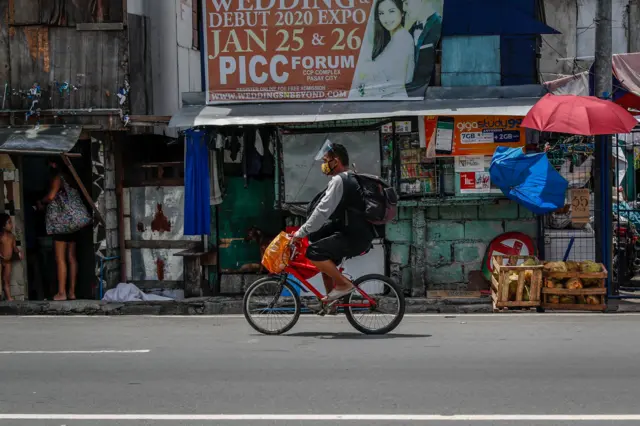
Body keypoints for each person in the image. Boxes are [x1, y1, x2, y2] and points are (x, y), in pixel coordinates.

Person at [291, 143, 375, 303]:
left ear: (335, 161)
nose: (323, 165)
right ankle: (331, 302)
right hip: (357, 233)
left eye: (325, 160)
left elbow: (322, 211)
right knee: (322, 252)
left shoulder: (339, 180)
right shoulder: (349, 177)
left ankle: (343, 284)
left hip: (353, 236)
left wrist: (300, 232)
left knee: (314, 252)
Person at [36, 158, 81, 301]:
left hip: (61, 224)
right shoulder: (70, 178)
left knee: (60, 258)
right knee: (72, 258)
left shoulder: (58, 177)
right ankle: (72, 292)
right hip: (73, 223)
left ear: (53, 164)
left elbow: (51, 196)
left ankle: (61, 293)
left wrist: (40, 202)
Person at [355, 0, 415, 98]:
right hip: (386, 98)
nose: (386, 18)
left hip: (395, 100)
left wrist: (368, 92)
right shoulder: (393, 38)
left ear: (402, 12)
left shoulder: (403, 39)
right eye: (381, 13)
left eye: (391, 11)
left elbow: (399, 82)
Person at [403, 0, 443, 97]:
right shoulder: (409, 31)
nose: (404, 9)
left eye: (406, 3)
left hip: (431, 93)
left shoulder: (439, 24)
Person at [0, 213, 23, 301]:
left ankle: (9, 297)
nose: (11, 225)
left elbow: (14, 248)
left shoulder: (12, 236)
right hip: (1, 261)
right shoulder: (1, 236)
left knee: (7, 280)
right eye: (9, 223)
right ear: (3, 226)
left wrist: (19, 252)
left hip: (8, 262)